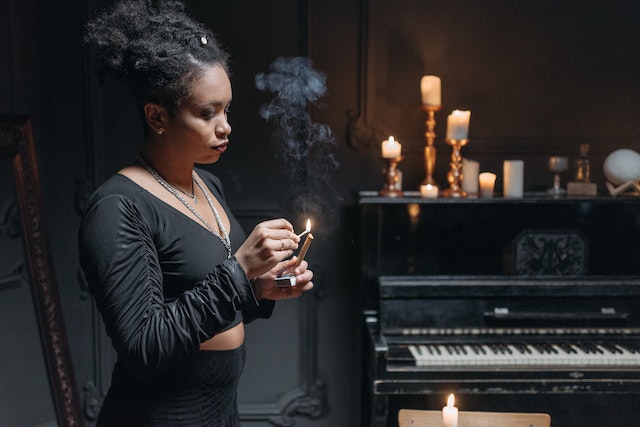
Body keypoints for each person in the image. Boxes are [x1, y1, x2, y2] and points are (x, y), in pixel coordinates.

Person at [79, 1, 314, 425]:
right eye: (207, 113)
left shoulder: (208, 185)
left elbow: (206, 299)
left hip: (220, 411)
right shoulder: (118, 207)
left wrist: (260, 290)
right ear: (157, 116)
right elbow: (145, 349)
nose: (225, 126)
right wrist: (239, 274)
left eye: (226, 109)